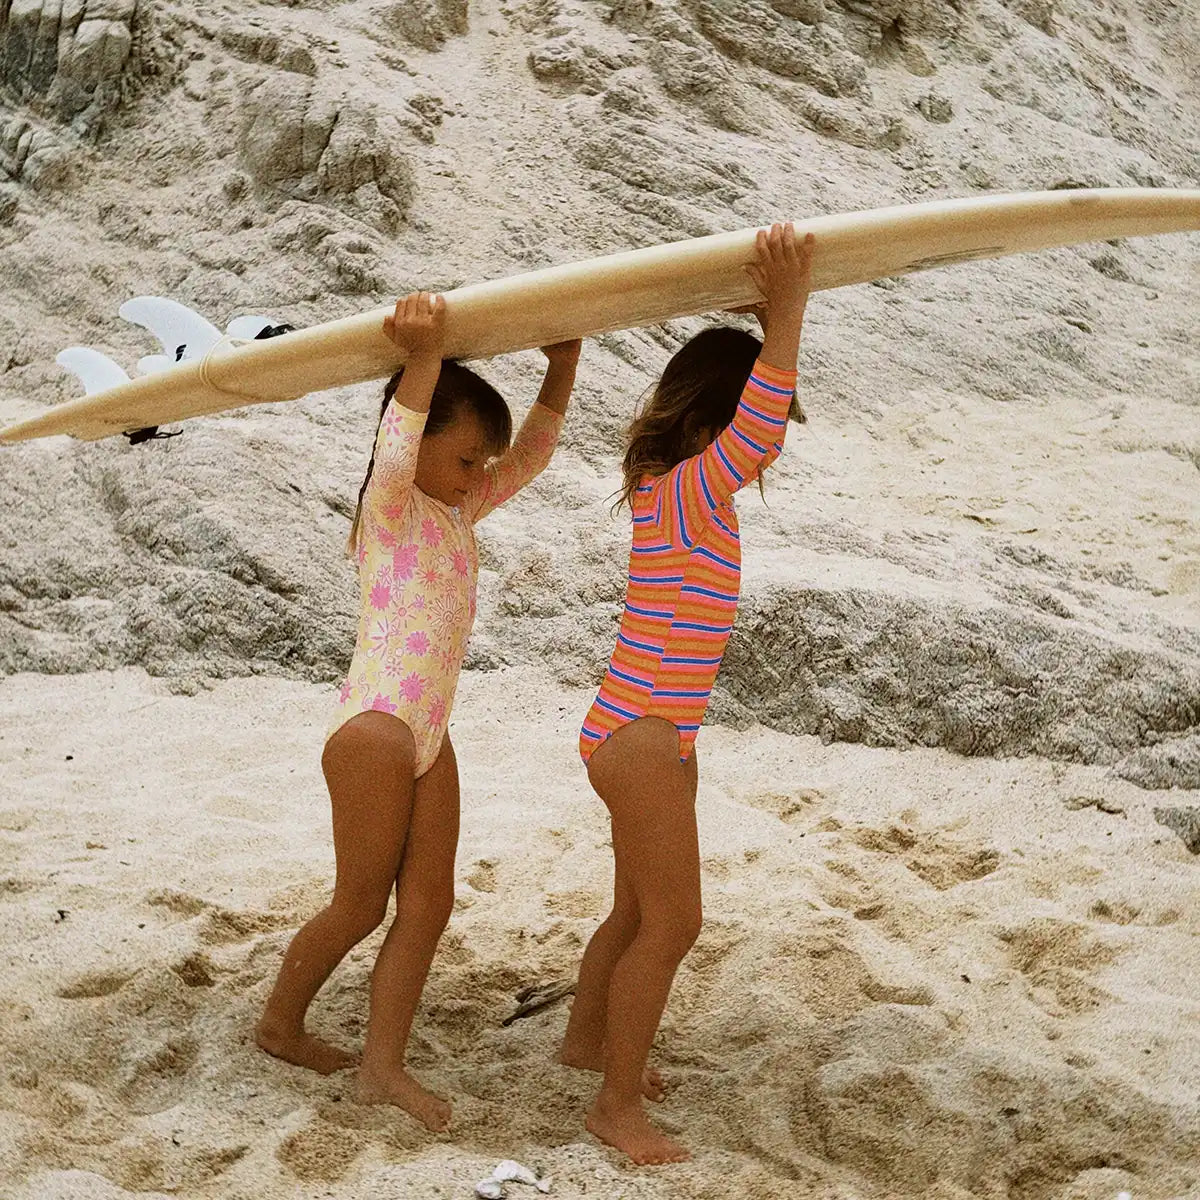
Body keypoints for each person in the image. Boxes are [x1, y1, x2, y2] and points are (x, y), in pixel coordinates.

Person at [256, 291, 580, 1131]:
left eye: (482, 465)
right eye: (468, 457)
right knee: (360, 903)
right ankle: (280, 1024)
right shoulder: (391, 509)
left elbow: (532, 457)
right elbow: (397, 440)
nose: (481, 475)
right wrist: (424, 356)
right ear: (424, 440)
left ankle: (381, 1067)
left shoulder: (456, 510)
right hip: (375, 727)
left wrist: (564, 364)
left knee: (430, 903)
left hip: (428, 733)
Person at [560, 224, 814, 1164]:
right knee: (675, 923)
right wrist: (787, 312)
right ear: (717, 427)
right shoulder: (691, 490)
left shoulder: (666, 483)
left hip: (652, 734)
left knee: (634, 910)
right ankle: (615, 1107)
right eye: (762, 436)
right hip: (641, 736)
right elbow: (754, 418)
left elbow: (745, 414)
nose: (768, 454)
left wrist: (755, 330)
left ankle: (588, 1043)